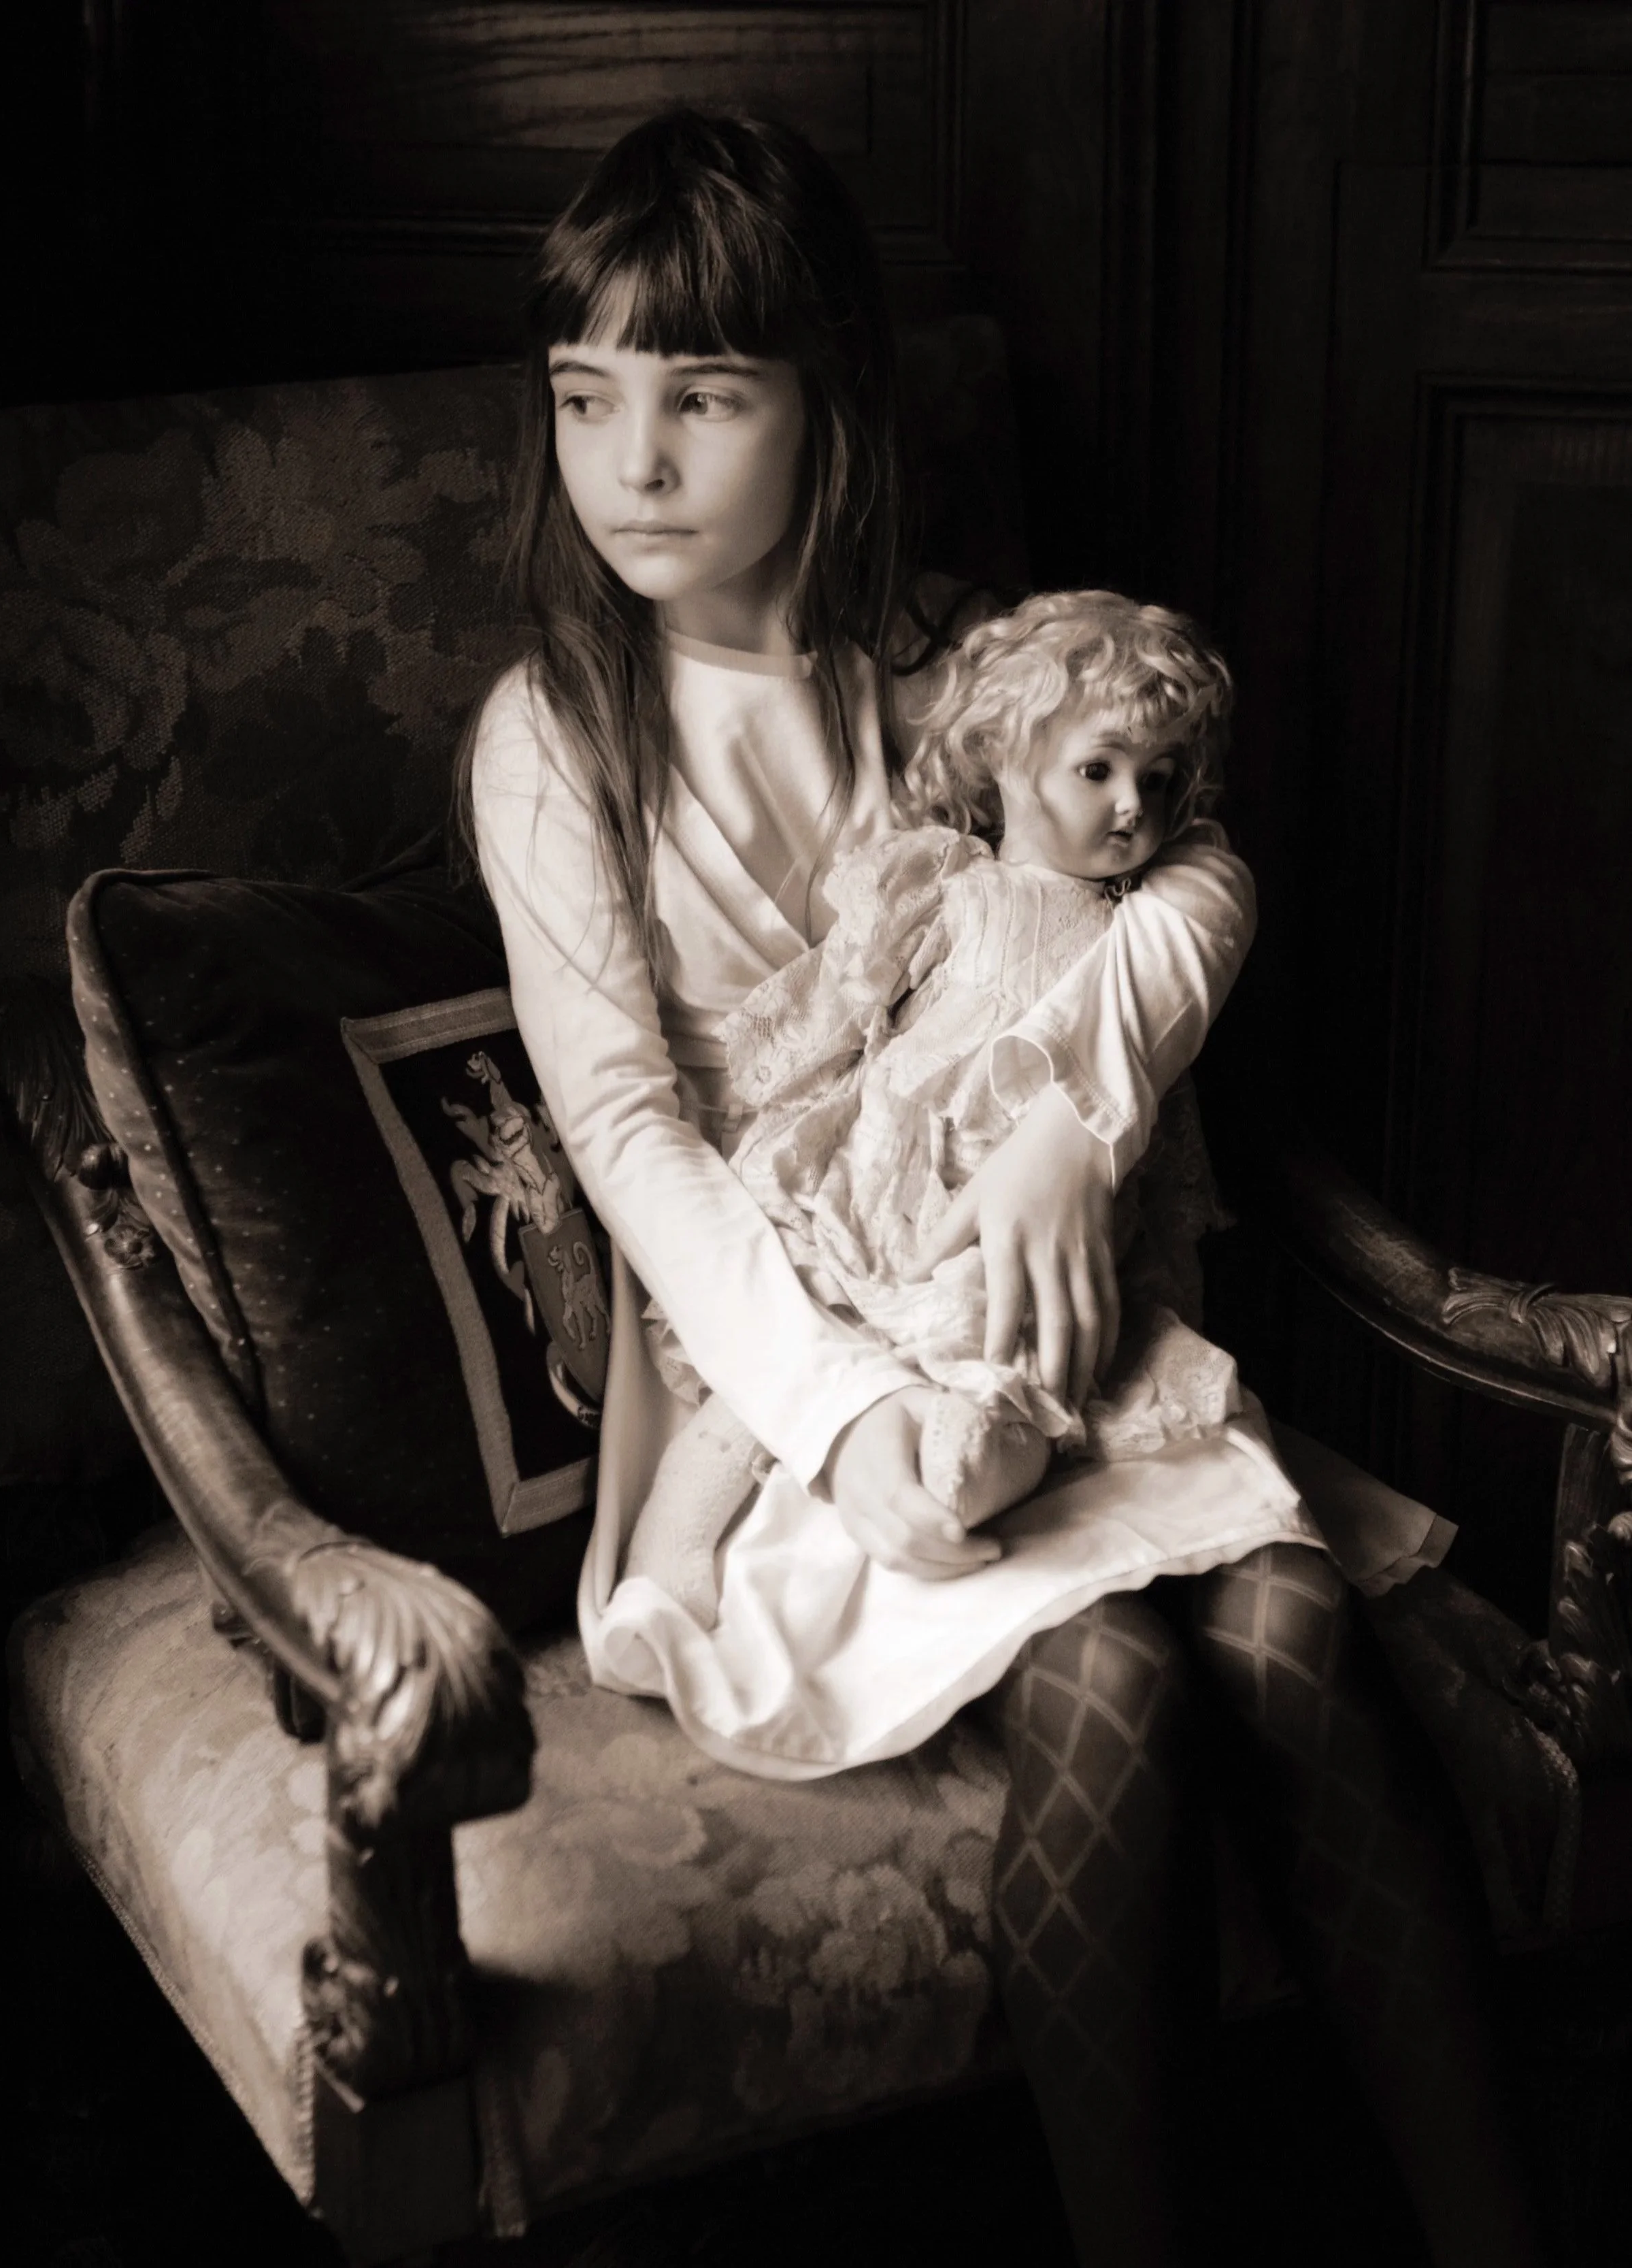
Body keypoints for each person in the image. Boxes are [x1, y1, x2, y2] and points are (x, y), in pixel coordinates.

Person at [467, 108, 1544, 2268]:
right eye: (588, 397)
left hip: (1056, 1321)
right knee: (1116, 1679)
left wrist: (1075, 1108)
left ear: (826, 407)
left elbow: (1191, 855)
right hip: (785, 1383)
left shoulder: (949, 671)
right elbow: (627, 1138)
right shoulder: (555, 730)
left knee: (1284, 1615)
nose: (633, 459)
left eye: (702, 393)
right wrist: (851, 1413)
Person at [624, 588, 1258, 1628]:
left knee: (1006, 1323)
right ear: (1005, 756)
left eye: (1160, 778)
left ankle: (977, 1452)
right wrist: (789, 1088)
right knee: (788, 1337)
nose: (1132, 806)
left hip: (1026, 1216)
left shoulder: (1150, 918)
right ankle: (669, 1569)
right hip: (888, 1167)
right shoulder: (947, 880)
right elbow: (851, 992)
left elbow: (1209, 912)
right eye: (1097, 771)